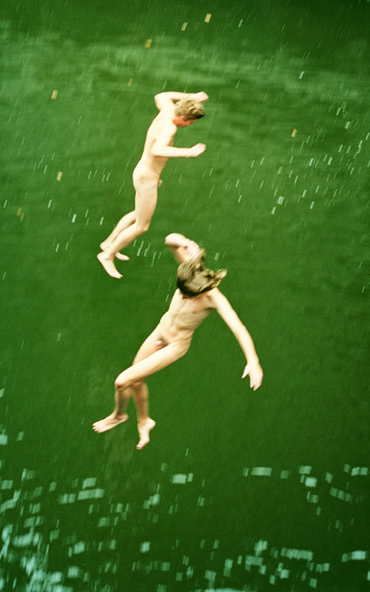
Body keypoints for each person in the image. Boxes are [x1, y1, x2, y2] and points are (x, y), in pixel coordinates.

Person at [93, 233, 263, 449]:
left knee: (121, 381)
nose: (181, 296)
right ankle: (145, 421)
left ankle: (119, 415)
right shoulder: (190, 270)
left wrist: (253, 361)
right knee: (136, 382)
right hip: (160, 332)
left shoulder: (214, 298)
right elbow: (169, 240)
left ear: (200, 290)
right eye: (180, 292)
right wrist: (185, 243)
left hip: (175, 345)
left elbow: (239, 329)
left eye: (187, 295)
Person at [97, 91, 208, 278]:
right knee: (142, 226)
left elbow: (161, 96)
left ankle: (109, 243)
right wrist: (188, 152)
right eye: (190, 122)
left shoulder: (168, 109)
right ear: (182, 117)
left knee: (137, 214)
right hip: (147, 179)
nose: (190, 125)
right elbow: (157, 149)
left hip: (143, 172)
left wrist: (192, 96)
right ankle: (107, 255)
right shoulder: (169, 128)